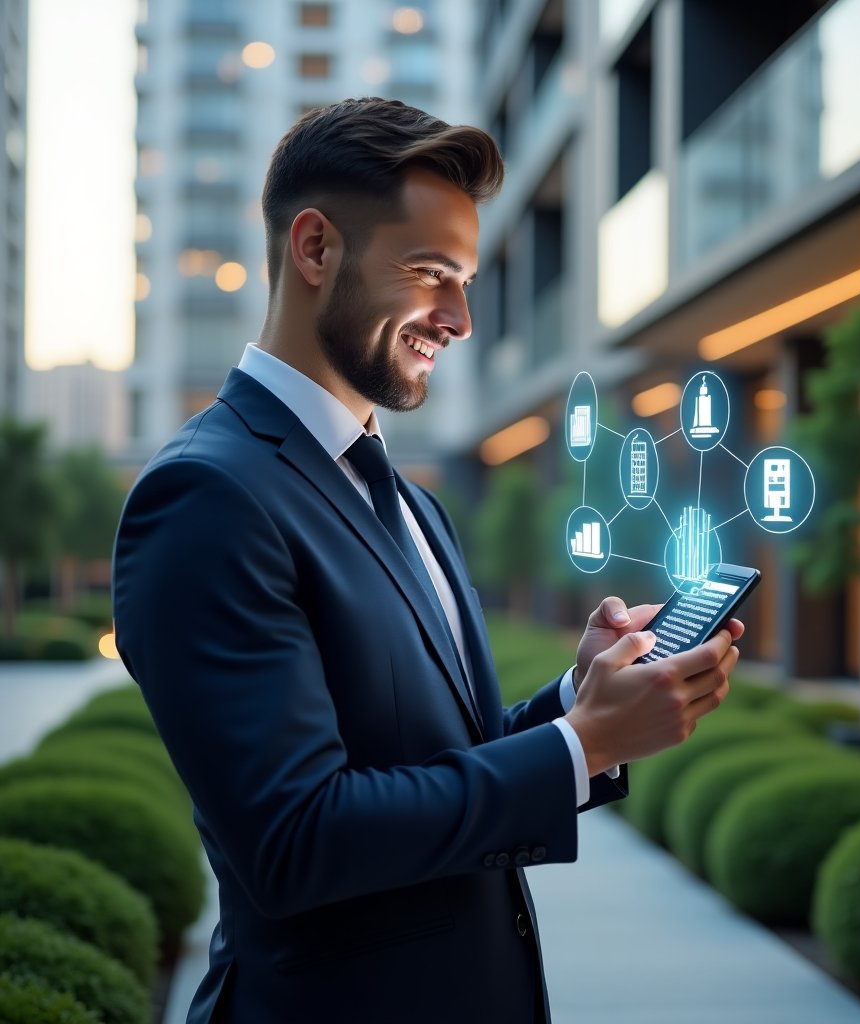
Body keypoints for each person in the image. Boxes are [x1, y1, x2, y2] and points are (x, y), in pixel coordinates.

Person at [113, 97, 743, 1024]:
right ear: (316, 248)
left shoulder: (414, 503)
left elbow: (441, 764)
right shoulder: (207, 498)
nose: (459, 318)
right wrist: (587, 746)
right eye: (428, 272)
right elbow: (295, 840)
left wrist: (578, 701)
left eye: (466, 279)